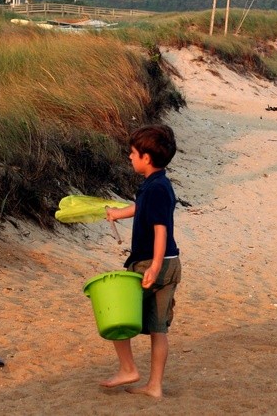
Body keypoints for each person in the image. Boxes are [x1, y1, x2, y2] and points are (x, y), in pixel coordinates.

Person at [103, 124, 181, 399]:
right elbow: (142, 208)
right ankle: (154, 386)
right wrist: (117, 213)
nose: (129, 156)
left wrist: (154, 266)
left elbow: (161, 229)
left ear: (146, 158)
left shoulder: (156, 188)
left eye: (133, 153)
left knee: (116, 312)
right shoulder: (158, 183)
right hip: (170, 263)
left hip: (152, 263)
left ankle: (128, 369)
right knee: (159, 329)